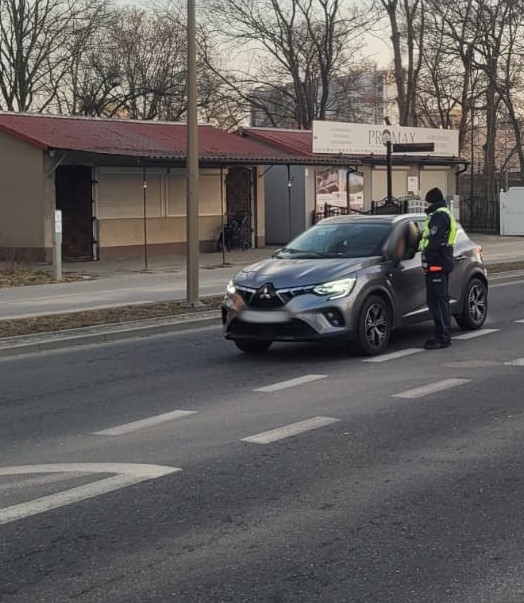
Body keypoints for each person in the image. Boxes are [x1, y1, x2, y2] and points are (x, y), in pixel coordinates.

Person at [419, 187, 458, 350]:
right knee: (439, 301)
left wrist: (426, 261)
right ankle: (442, 335)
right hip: (442, 262)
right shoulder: (444, 214)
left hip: (437, 265)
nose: (426, 205)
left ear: (432, 201)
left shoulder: (439, 217)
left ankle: (442, 337)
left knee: (437, 302)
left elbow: (434, 242)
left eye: (427, 202)